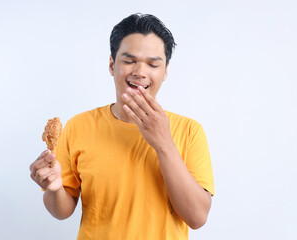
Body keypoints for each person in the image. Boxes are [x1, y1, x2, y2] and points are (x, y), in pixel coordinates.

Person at [30, 13, 214, 239]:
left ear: (165, 71)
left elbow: (197, 218)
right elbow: (62, 211)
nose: (140, 72)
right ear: (111, 64)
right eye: (129, 61)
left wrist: (163, 142)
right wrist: (55, 188)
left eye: (153, 64)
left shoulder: (189, 131)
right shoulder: (79, 126)